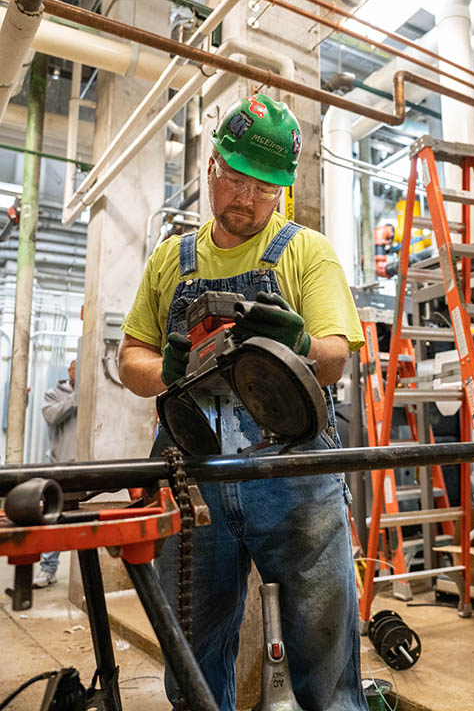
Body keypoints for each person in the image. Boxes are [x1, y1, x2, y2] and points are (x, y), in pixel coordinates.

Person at [119, 94, 368, 711]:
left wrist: (303, 345)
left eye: (266, 189)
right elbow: (131, 360)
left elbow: (338, 353)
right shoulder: (169, 260)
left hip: (291, 476)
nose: (248, 200)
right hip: (191, 477)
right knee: (192, 662)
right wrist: (166, 371)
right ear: (211, 167)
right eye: (236, 180)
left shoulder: (306, 252)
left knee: (325, 658)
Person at [33, 359, 77, 588]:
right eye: (74, 368)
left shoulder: (92, 392)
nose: (77, 372)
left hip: (85, 467)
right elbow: (51, 416)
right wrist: (75, 398)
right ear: (69, 371)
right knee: (54, 515)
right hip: (60, 466)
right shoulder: (54, 394)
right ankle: (47, 569)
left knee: (86, 519)